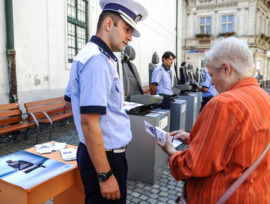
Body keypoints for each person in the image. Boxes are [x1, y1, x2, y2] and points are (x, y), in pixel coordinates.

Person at [158, 37, 270, 203]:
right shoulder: (264, 97)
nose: (210, 81)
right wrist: (194, 138)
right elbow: (239, 144)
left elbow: (192, 165)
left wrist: (171, 152)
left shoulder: (224, 103)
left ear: (226, 69)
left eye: (211, 74)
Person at [64, 0, 148, 203]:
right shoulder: (98, 60)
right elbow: (89, 122)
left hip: (97, 153)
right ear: (109, 24)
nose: (130, 38)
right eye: (127, 29)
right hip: (106, 158)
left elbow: (69, 101)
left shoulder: (92, 55)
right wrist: (105, 175)